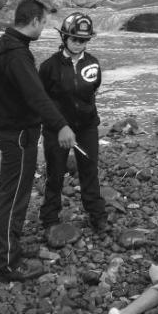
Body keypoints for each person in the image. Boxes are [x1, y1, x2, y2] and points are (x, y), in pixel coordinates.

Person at [0, 0, 77, 283]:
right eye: (45, 22)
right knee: (14, 197)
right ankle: (8, 265)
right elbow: (36, 96)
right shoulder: (17, 55)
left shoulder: (8, 47)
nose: (46, 27)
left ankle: (9, 250)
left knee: (8, 194)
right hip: (19, 135)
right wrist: (61, 125)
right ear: (34, 21)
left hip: (10, 131)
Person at [38, 12, 108, 232]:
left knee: (89, 171)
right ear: (64, 38)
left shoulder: (93, 64)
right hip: (56, 130)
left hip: (87, 127)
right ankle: (49, 219)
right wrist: (59, 126)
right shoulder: (49, 67)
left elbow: (93, 89)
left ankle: (97, 216)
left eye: (84, 40)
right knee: (55, 173)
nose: (79, 44)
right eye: (75, 39)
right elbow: (42, 100)